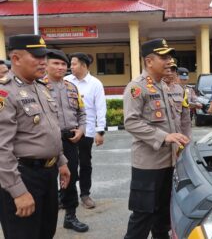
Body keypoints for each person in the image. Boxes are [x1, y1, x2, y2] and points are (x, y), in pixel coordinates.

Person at [0, 34, 70, 239]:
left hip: (48, 175)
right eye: (37, 57)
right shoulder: (6, 93)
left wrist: (62, 161)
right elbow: (2, 149)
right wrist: (18, 191)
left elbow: (50, 129)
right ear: (15, 59)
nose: (43, 62)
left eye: (44, 57)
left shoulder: (40, 88)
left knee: (45, 232)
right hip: (23, 175)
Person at [123, 38, 190, 239]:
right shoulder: (137, 87)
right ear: (149, 61)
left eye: (170, 57)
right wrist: (164, 136)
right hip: (149, 165)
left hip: (169, 161)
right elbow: (131, 122)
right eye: (164, 57)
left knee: (163, 216)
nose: (169, 61)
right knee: (143, 216)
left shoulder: (165, 86)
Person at [44, 49, 89, 232]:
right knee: (46, 181)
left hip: (70, 140)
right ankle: (45, 220)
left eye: (64, 64)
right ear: (46, 65)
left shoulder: (72, 87)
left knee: (70, 178)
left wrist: (82, 129)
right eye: (55, 63)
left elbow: (82, 113)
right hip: (46, 141)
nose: (61, 67)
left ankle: (70, 216)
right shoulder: (39, 86)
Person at [65, 52, 107, 209]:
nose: (71, 67)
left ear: (83, 65)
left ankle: (85, 194)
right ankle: (66, 195)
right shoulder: (66, 81)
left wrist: (100, 131)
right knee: (67, 164)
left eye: (74, 64)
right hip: (68, 130)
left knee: (85, 163)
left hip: (87, 131)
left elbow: (100, 108)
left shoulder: (95, 84)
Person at [163, 59, 192, 138]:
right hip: (161, 139)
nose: (169, 72)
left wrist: (186, 137)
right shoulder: (152, 89)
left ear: (176, 73)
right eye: (166, 69)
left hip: (178, 136)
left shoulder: (180, 90)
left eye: (173, 70)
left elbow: (185, 118)